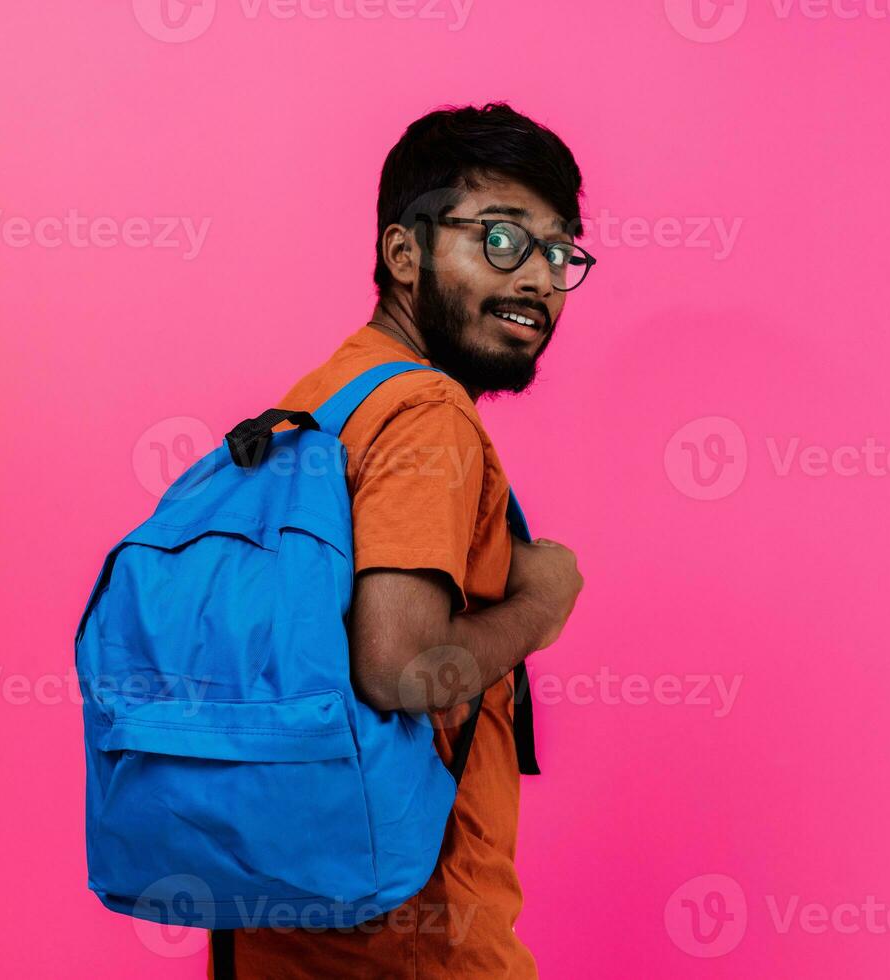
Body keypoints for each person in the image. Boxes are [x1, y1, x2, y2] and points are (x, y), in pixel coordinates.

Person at [219, 101, 591, 979]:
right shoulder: (426, 415)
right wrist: (539, 604)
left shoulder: (320, 403)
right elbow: (400, 669)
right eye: (501, 240)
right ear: (403, 254)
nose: (538, 276)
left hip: (275, 932)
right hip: (413, 942)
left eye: (558, 250)